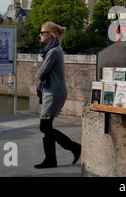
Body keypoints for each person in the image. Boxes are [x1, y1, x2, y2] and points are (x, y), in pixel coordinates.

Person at [34, 22, 81, 169]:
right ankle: (50, 160)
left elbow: (40, 74)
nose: (39, 35)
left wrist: (39, 73)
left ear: (50, 34)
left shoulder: (53, 52)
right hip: (52, 91)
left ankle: (74, 147)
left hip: (53, 93)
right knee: (47, 128)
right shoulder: (53, 50)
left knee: (44, 127)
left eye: (42, 33)